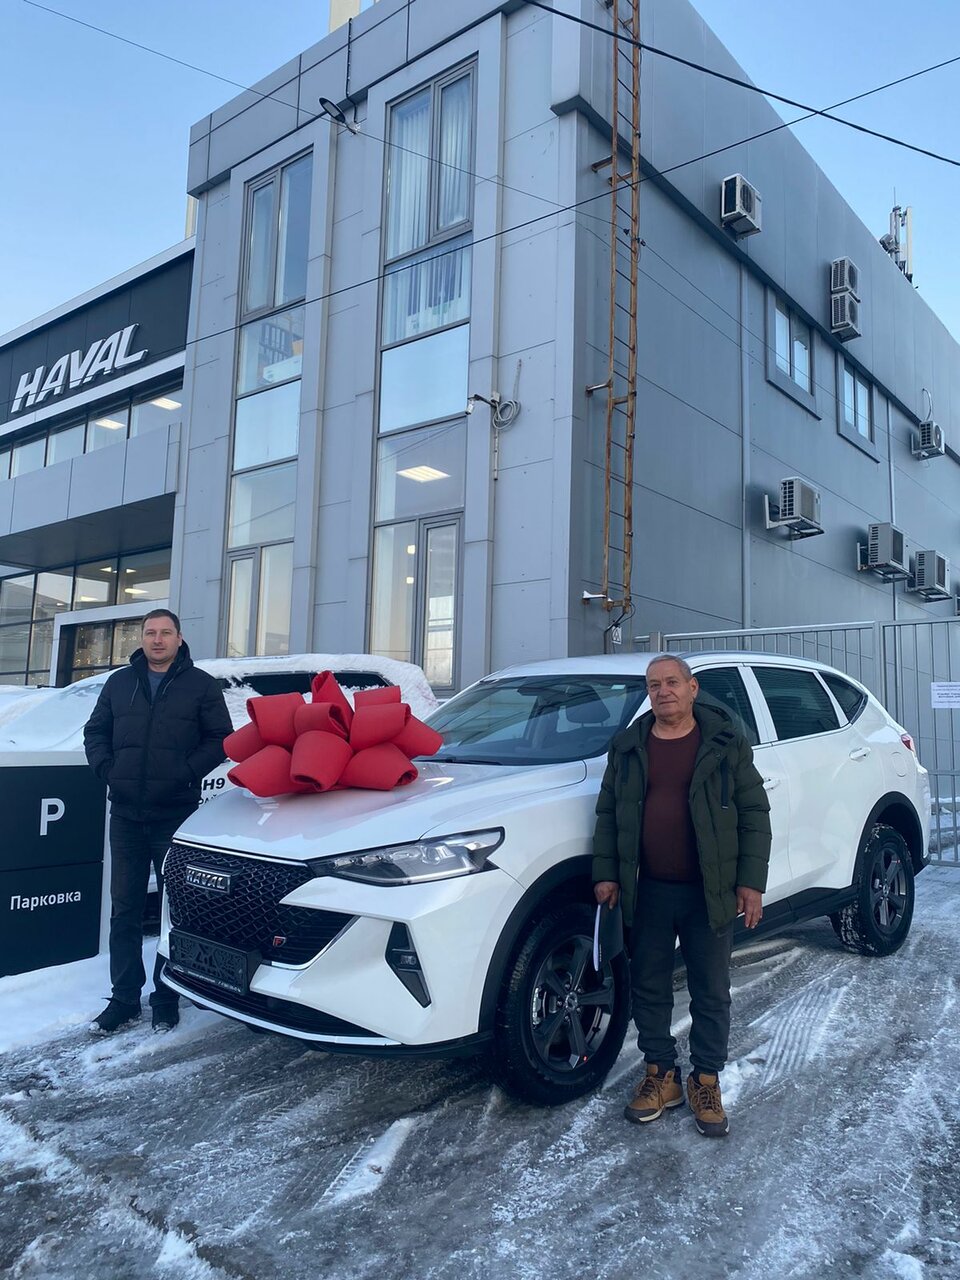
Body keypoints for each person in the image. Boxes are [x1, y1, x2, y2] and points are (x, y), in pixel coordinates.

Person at [592, 654, 771, 1137]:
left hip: (708, 891)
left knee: (710, 989)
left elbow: (754, 812)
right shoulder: (628, 746)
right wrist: (606, 873)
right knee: (648, 986)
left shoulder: (725, 742)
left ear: (693, 689)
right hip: (647, 889)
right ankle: (662, 1075)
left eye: (672, 682)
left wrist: (750, 882)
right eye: (654, 685)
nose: (663, 691)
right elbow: (608, 813)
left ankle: (705, 1079)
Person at [83, 609, 231, 1034]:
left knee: (172, 911)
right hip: (126, 815)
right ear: (142, 638)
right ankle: (124, 999)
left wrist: (185, 773)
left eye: (166, 632)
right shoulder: (119, 683)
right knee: (125, 910)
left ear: (179, 638)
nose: (158, 639)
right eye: (151, 632)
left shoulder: (200, 684)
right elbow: (96, 732)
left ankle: (166, 997)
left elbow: (220, 738)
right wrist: (108, 770)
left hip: (175, 815)